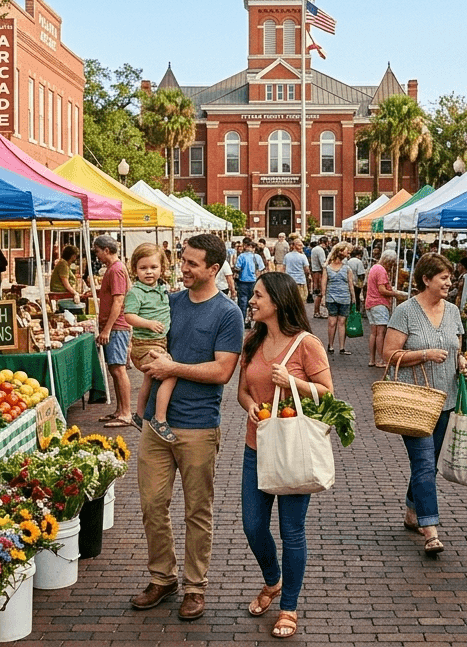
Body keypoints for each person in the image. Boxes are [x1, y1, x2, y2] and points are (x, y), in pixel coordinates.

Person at [130, 234, 244, 621]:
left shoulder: (228, 313)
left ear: (214, 269)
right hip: (155, 426)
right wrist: (145, 358)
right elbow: (146, 348)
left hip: (198, 426)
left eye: (192, 264)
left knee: (197, 511)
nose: (183, 269)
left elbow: (222, 371)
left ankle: (195, 586)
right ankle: (163, 577)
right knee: (152, 505)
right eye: (183, 260)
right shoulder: (168, 302)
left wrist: (173, 367)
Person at [236, 272, 333, 639]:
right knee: (252, 526)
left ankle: (288, 606)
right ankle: (272, 580)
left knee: (292, 531)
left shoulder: (306, 343)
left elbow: (327, 392)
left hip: (293, 448)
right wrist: (249, 405)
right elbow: (242, 391)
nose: (252, 300)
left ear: (277, 302)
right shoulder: (252, 341)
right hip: (256, 446)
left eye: (258, 295)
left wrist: (293, 383)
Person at [382, 253, 467, 557]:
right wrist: (424, 355)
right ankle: (430, 529)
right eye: (443, 277)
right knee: (424, 463)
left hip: (446, 399)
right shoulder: (405, 311)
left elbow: (457, 347)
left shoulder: (453, 311)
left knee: (427, 463)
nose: (449, 282)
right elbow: (388, 354)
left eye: (449, 277)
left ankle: (411, 512)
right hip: (414, 402)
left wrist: (461, 361)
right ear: (426, 279)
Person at [123, 243, 180, 441]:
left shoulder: (162, 289)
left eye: (153, 267)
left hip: (159, 343)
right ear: (135, 270)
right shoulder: (136, 293)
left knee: (149, 379)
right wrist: (148, 323)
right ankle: (159, 418)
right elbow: (129, 315)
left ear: (162, 268)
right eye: (143, 268)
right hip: (144, 346)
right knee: (170, 373)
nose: (149, 272)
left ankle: (139, 415)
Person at [94, 235, 134, 427]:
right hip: (116, 326)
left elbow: (118, 300)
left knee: (118, 369)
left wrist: (107, 329)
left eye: (97, 251)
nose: (97, 255)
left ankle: (126, 412)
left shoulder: (116, 270)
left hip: (117, 326)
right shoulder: (115, 268)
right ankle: (120, 410)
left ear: (106, 250)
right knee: (114, 368)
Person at [365, 249, 401, 368]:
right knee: (381, 333)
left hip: (370, 303)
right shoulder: (381, 270)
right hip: (379, 304)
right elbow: (381, 290)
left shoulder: (374, 268)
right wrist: (395, 294)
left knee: (374, 333)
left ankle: (372, 359)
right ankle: (382, 360)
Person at [322, 243, 356, 355]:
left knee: (341, 322)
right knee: (332, 322)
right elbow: (324, 283)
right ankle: (331, 345)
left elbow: (350, 284)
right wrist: (323, 296)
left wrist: (353, 297)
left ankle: (341, 347)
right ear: (340, 251)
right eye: (346, 251)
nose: (348, 254)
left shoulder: (347, 268)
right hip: (332, 298)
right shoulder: (327, 268)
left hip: (344, 298)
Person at [235, 238, 266, 324]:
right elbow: (262, 269)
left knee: (242, 303)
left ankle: (242, 321)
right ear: (253, 248)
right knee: (254, 302)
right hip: (254, 282)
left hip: (242, 281)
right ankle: (251, 320)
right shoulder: (257, 257)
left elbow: (237, 268)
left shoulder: (241, 256)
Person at [283, 239, 310, 303]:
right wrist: (308, 275)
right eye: (300, 245)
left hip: (289, 281)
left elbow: (284, 268)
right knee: (301, 300)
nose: (301, 247)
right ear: (295, 246)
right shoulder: (303, 257)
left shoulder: (287, 256)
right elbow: (307, 269)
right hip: (300, 281)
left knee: (290, 300)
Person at [310, 236, 329, 318]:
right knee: (320, 292)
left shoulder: (314, 249)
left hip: (315, 271)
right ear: (325, 243)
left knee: (318, 292)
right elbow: (323, 264)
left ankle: (317, 311)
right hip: (319, 272)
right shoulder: (320, 250)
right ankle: (317, 311)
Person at [346, 247, 367, 313]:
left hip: (348, 283)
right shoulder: (358, 262)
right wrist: (360, 285)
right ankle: (356, 312)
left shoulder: (348, 261)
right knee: (356, 299)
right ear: (358, 255)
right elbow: (361, 274)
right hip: (356, 284)